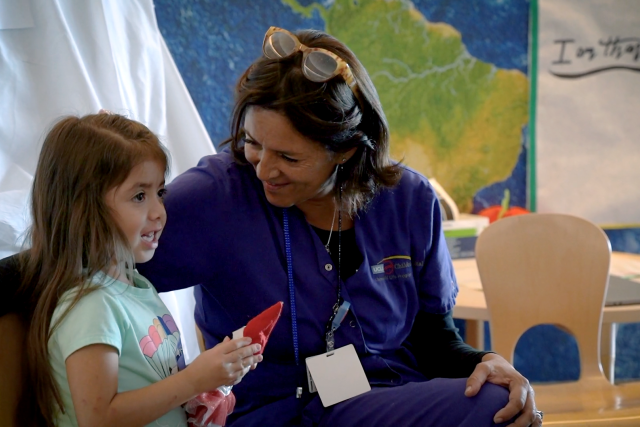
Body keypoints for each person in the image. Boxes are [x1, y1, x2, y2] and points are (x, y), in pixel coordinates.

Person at [137, 27, 542, 427]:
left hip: (391, 398)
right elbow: (98, 268)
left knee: (501, 398)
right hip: (272, 410)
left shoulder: (409, 200)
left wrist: (487, 362)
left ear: (346, 149)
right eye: (253, 141)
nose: (262, 168)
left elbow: (434, 339)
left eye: (288, 158)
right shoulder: (216, 196)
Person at [12, 114, 262, 426]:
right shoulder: (92, 306)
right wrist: (193, 381)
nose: (159, 211)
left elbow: (149, 387)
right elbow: (98, 417)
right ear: (84, 207)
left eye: (160, 193)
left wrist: (200, 390)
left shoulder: (136, 287)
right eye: (139, 196)